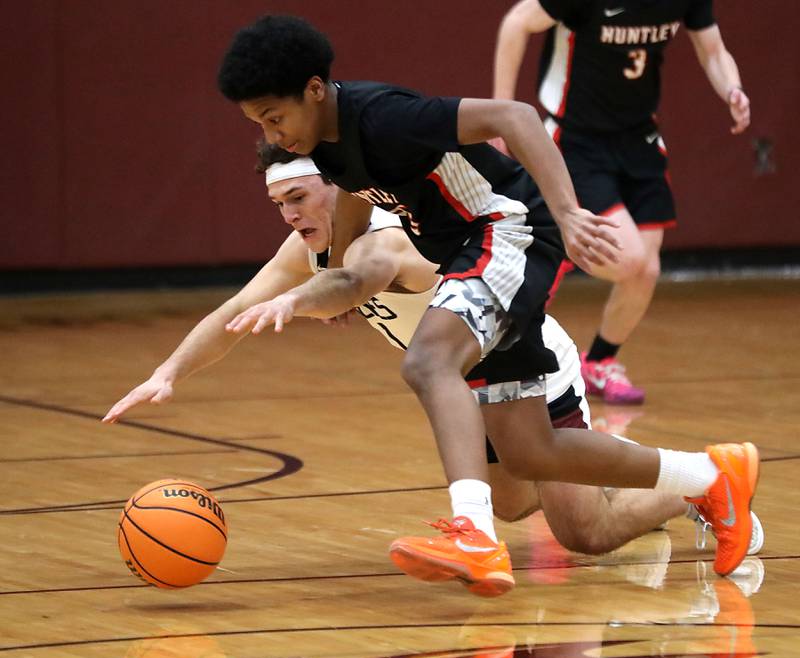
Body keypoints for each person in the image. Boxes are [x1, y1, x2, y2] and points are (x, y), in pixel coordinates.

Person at [213, 14, 757, 596]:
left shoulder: (383, 116)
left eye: (275, 118)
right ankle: (710, 477)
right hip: (470, 255)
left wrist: (570, 211)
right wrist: (342, 268)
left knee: (427, 361)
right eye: (259, 124)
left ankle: (472, 532)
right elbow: (352, 189)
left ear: (315, 91)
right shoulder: (329, 143)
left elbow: (515, 116)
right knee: (529, 452)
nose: (272, 135)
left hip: (508, 227)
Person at [104, 145, 763, 563]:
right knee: (510, 504)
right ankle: (632, 487)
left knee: (583, 535)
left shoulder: (387, 237)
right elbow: (230, 316)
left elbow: (352, 283)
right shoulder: (306, 249)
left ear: (337, 186)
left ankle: (698, 487)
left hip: (525, 361)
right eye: (278, 203)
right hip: (468, 387)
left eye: (298, 197)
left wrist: (300, 303)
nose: (288, 214)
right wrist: (167, 371)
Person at [493, 0, 750, 404]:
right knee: (627, 257)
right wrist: (501, 113)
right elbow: (516, 22)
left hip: (640, 140)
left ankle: (598, 363)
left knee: (645, 271)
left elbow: (712, 49)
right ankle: (520, 287)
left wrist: (731, 88)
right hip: (576, 139)